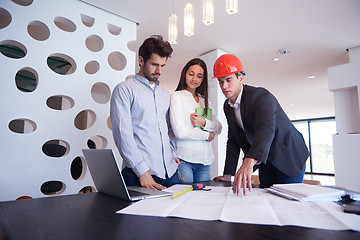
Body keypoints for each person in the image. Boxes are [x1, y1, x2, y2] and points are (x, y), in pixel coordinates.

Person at [212, 54, 309, 196]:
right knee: (266, 199)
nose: (224, 86)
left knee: (289, 202)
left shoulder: (260, 96)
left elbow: (266, 129)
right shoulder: (227, 106)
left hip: (288, 154)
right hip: (265, 158)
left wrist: (248, 161)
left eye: (228, 80)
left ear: (240, 78)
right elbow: (233, 139)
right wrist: (228, 174)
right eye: (220, 82)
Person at [110, 35, 179, 190]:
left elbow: (168, 129)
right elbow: (123, 134)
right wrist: (142, 171)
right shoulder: (124, 90)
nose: (159, 71)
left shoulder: (164, 93)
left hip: (170, 172)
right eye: (154, 64)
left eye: (163, 65)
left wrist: (173, 153)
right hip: (139, 174)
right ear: (141, 60)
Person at [170, 58, 222, 183]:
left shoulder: (205, 100)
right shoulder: (177, 96)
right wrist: (206, 135)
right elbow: (180, 132)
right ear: (184, 74)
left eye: (199, 76)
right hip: (184, 160)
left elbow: (219, 127)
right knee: (185, 199)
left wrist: (204, 123)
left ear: (203, 79)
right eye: (191, 74)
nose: (194, 79)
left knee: (203, 200)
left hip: (205, 161)